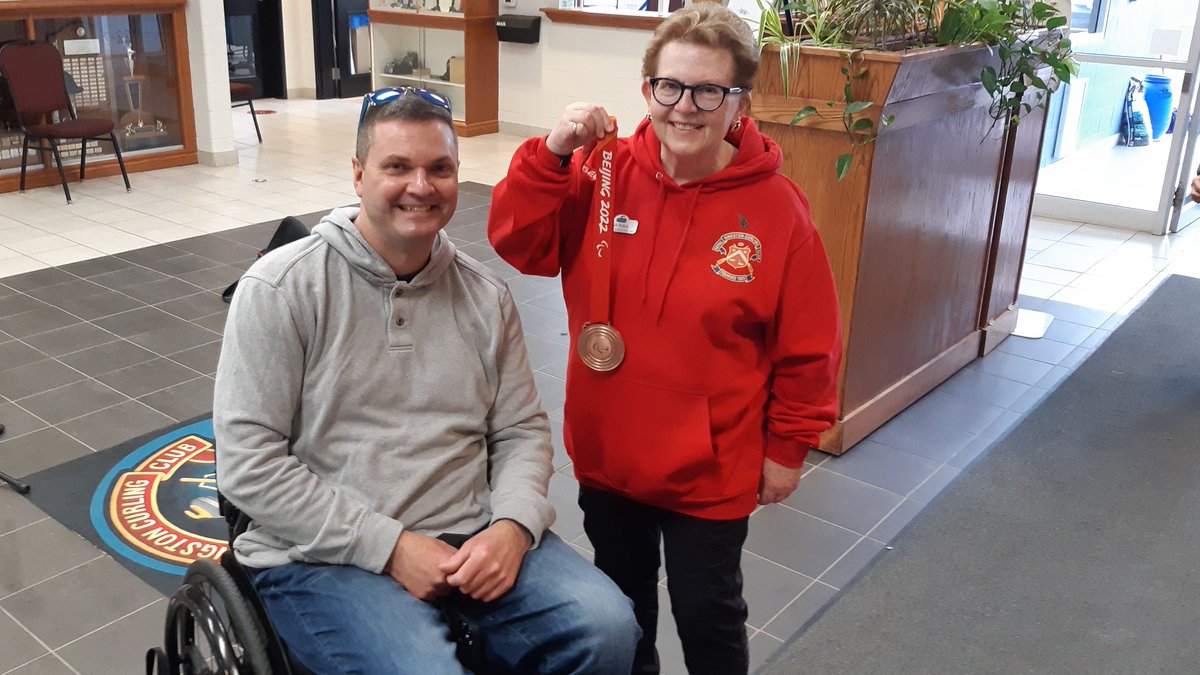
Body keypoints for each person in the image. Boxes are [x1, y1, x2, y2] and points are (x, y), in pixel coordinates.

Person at [214, 87, 639, 674]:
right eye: (397, 166)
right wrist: (389, 548)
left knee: (607, 627)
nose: (421, 185)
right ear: (359, 174)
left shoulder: (484, 296)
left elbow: (519, 431)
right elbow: (248, 466)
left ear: (458, 176)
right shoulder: (282, 289)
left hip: (473, 534)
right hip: (324, 555)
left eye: (439, 168)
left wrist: (513, 527)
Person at [487, 5, 843, 674]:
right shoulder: (598, 170)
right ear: (647, 86)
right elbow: (519, 242)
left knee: (708, 612)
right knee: (621, 613)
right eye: (670, 86)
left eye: (710, 90)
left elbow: (809, 344)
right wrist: (552, 152)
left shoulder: (776, 208)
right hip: (610, 450)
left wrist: (788, 447)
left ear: (739, 99)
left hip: (711, 464)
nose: (687, 107)